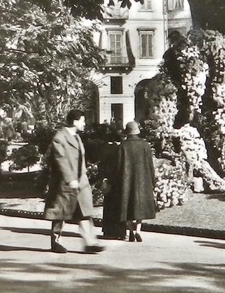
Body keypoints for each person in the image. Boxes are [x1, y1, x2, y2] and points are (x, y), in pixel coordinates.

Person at [44, 109, 102, 254]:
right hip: (65, 183)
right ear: (75, 121)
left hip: (80, 183)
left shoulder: (77, 137)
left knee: (84, 212)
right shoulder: (60, 137)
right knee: (60, 214)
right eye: (83, 120)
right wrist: (70, 179)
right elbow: (60, 160)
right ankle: (56, 242)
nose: (85, 123)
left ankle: (90, 242)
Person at [104, 120, 158, 242]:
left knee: (126, 207)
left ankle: (131, 232)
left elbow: (117, 167)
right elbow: (150, 166)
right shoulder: (145, 145)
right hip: (143, 181)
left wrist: (112, 181)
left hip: (126, 181)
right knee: (140, 209)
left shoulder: (122, 146)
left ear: (126, 132)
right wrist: (152, 181)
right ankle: (138, 230)